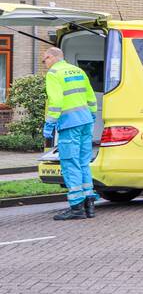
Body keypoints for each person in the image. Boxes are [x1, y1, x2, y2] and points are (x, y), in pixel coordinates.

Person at [42, 47, 99, 221]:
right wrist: (92, 114)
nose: (44, 63)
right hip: (86, 122)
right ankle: (89, 205)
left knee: (70, 163)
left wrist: (50, 123)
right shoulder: (78, 70)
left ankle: (76, 208)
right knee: (83, 162)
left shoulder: (54, 74)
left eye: (44, 60)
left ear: (51, 57)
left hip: (70, 124)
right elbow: (90, 96)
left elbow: (56, 101)